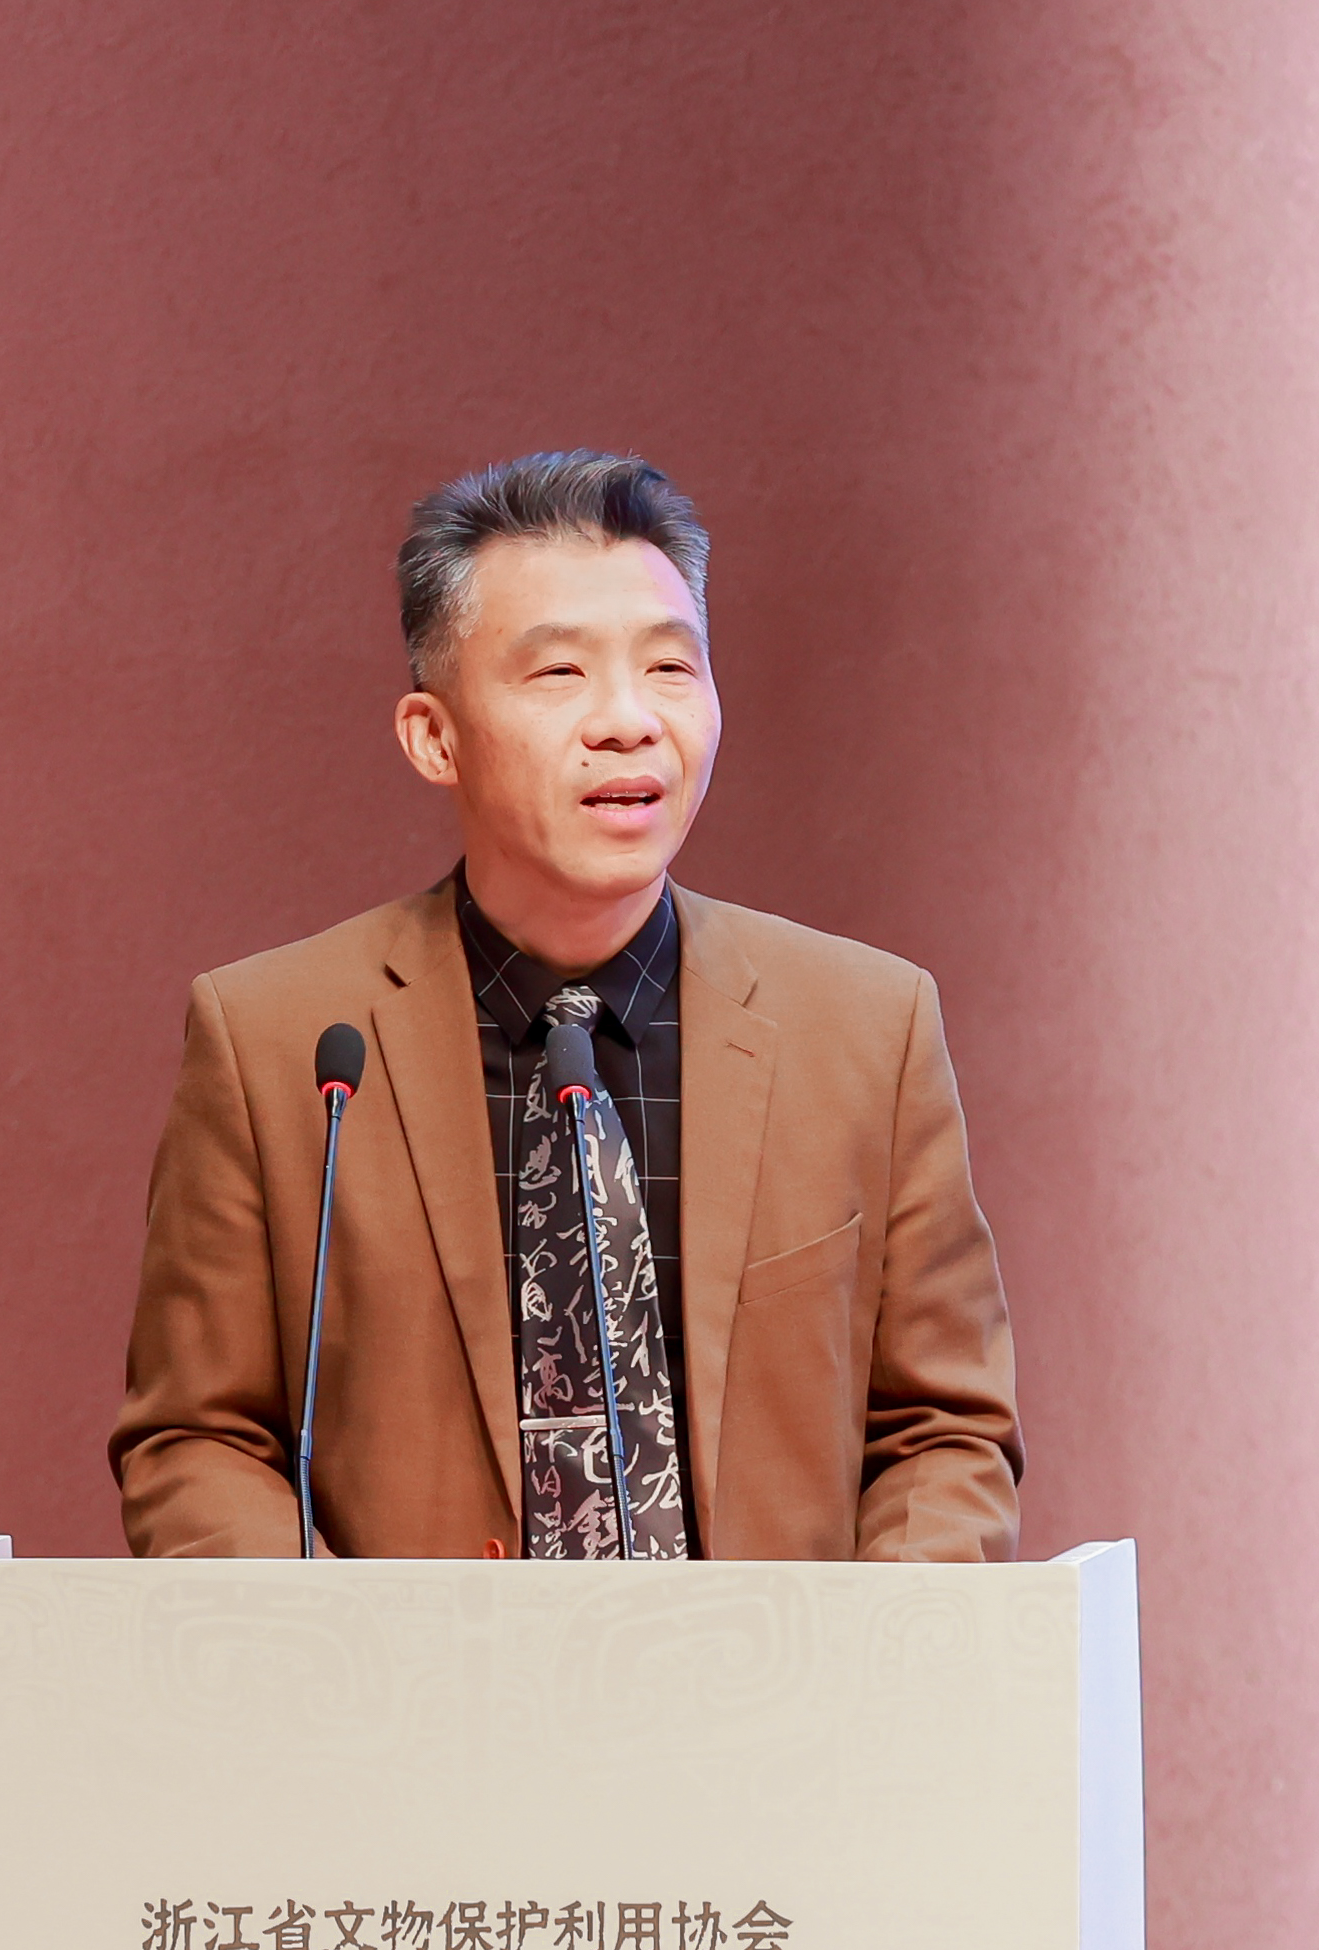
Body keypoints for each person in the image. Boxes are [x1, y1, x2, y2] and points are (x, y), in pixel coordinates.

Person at [111, 451, 1021, 1559]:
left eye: (670, 667)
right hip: (417, 1673)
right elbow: (197, 1438)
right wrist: (345, 1645)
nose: (628, 721)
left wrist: (866, 1648)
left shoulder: (869, 1030)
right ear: (434, 736)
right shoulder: (276, 1043)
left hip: (776, 1670)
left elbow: (944, 1429)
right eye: (559, 674)